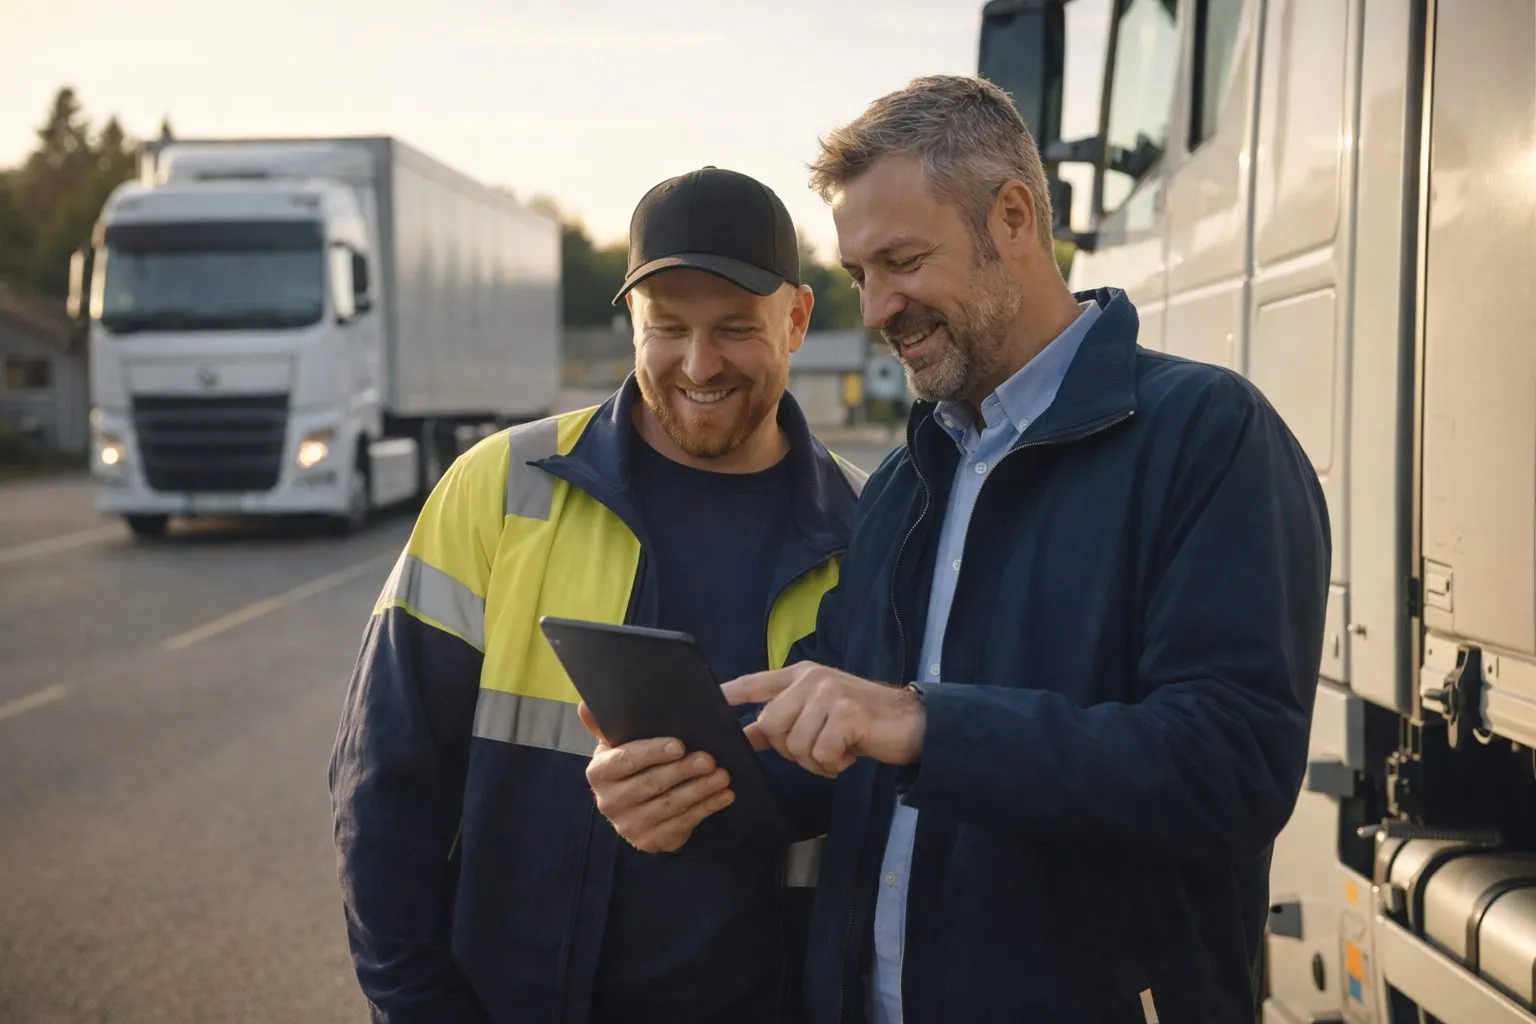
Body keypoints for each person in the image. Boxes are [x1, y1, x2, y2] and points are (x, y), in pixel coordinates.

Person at [585, 75, 1331, 1023]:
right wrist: (687, 786)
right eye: (860, 275)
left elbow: (1230, 767)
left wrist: (925, 723)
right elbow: (838, 733)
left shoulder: (1207, 436)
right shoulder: (906, 480)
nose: (878, 307)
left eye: (901, 261)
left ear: (1014, 219)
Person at [328, 165, 866, 1024]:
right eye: (668, 328)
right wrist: (420, 1007)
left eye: (734, 328)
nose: (699, 364)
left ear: (797, 317)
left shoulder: (870, 532)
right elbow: (386, 784)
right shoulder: (498, 489)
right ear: (631, 323)